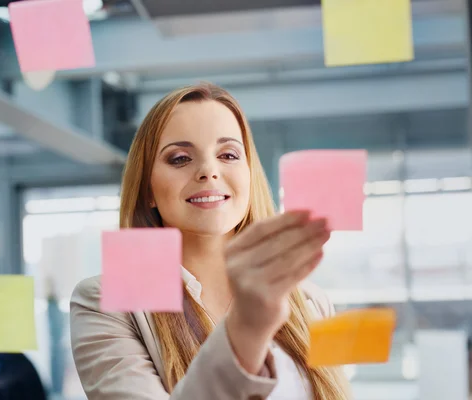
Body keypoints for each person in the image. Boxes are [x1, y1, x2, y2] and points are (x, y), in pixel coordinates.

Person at [69, 83, 351, 399]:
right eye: (179, 158)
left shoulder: (311, 301)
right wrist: (245, 328)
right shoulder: (107, 301)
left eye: (228, 154)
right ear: (147, 188)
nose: (208, 171)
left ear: (249, 173)